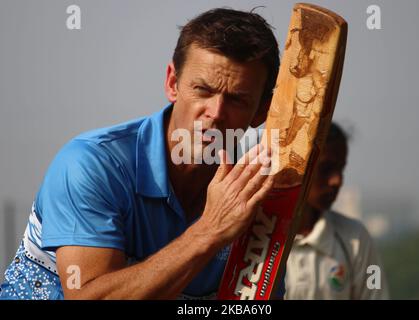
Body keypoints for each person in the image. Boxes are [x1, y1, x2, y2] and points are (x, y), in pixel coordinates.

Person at [0, 8, 281, 300]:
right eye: (202, 90)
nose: (215, 113)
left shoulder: (259, 196)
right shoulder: (91, 164)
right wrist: (210, 231)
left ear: (262, 110)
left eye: (237, 99)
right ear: (173, 83)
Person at [284, 123, 389, 300]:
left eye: (341, 169)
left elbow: (376, 293)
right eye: (326, 169)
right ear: (298, 163)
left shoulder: (357, 239)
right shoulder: (258, 242)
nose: (337, 181)